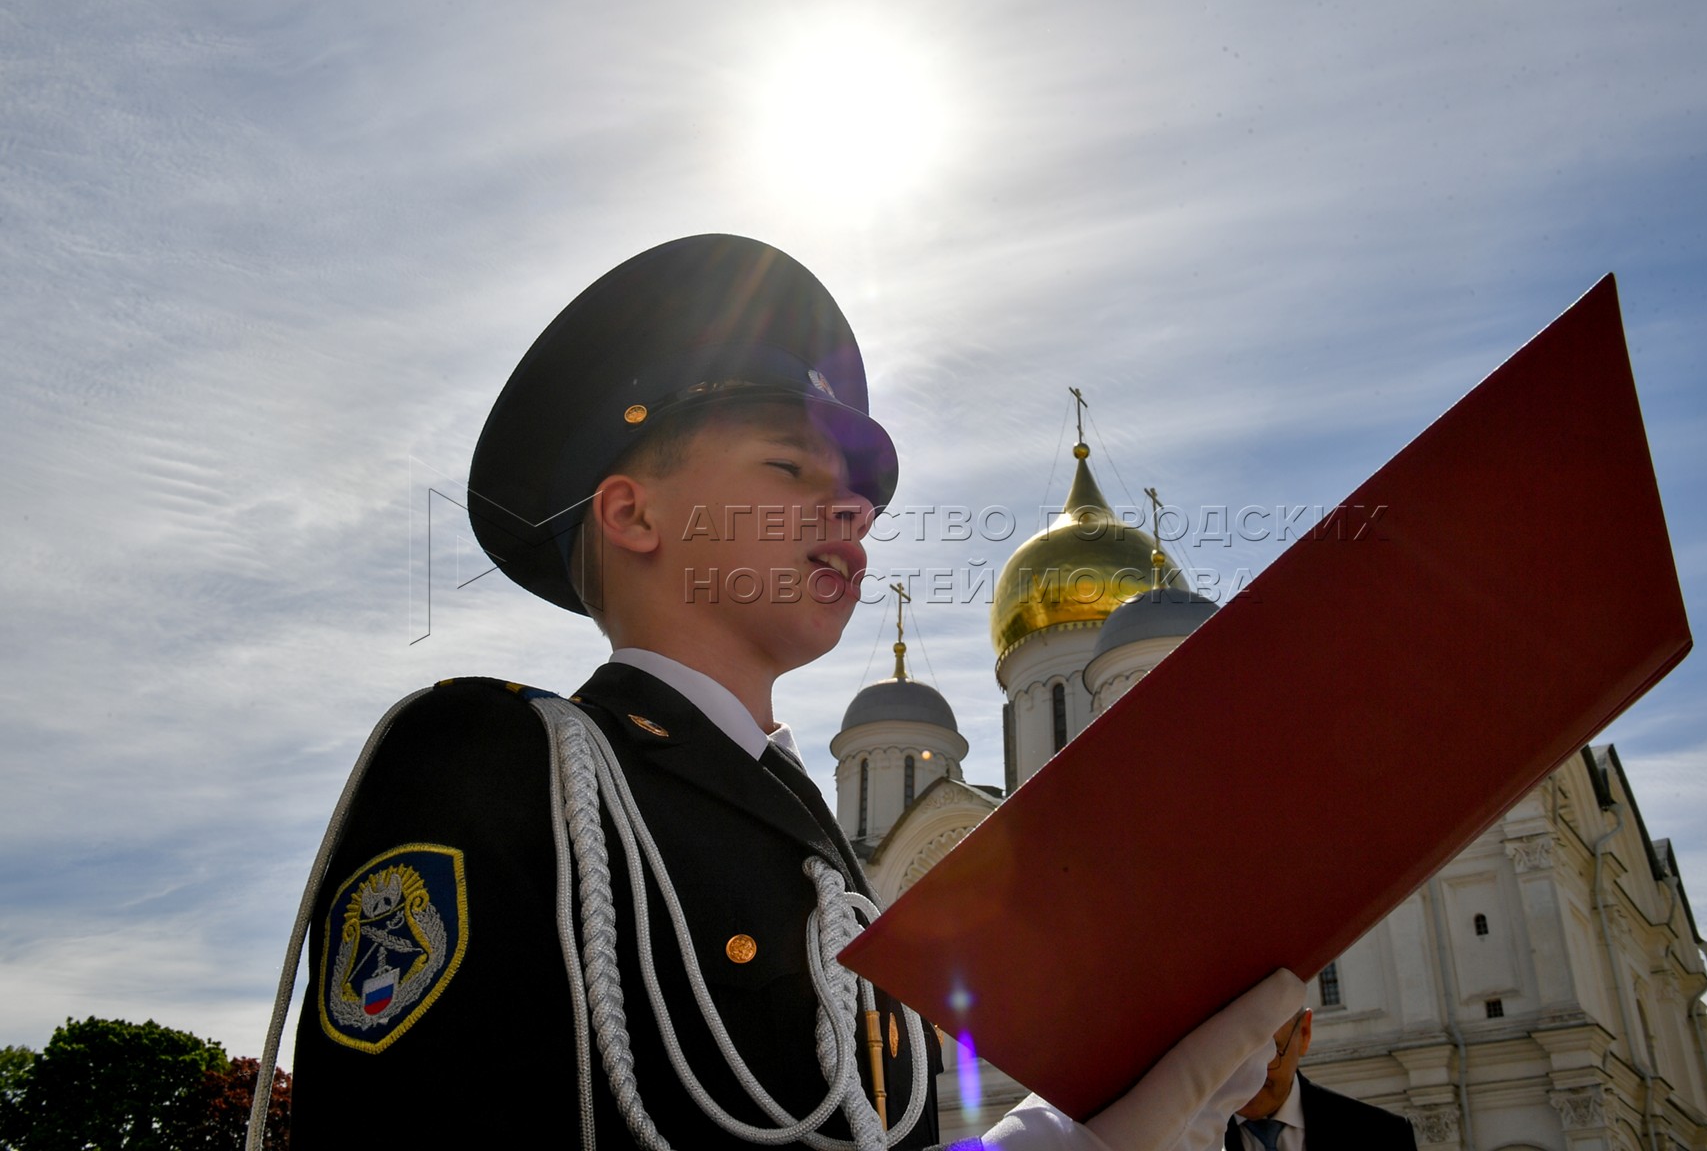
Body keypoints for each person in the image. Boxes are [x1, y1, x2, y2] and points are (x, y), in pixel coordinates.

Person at [259, 234, 1301, 1150]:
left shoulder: (830, 861)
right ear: (633, 515)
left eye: (854, 494)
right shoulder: (497, 766)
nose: (849, 511)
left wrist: (1097, 1134)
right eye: (789, 469)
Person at [1227, 1009, 1418, 1151]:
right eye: (1230, 1054)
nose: (1249, 1076)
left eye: (1267, 1052)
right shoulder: (1198, 1137)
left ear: (1304, 1033)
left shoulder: (1382, 1138)